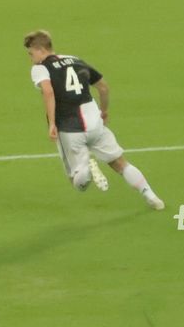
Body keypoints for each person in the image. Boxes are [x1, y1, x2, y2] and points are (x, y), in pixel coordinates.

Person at [24, 30, 165, 210]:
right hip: (94, 122)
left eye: (31, 53)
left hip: (70, 128)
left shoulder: (40, 68)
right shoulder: (75, 60)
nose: (30, 58)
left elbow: (48, 92)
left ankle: (87, 167)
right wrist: (104, 111)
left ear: (40, 49)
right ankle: (150, 195)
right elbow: (103, 88)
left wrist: (51, 123)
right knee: (120, 162)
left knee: (78, 182)